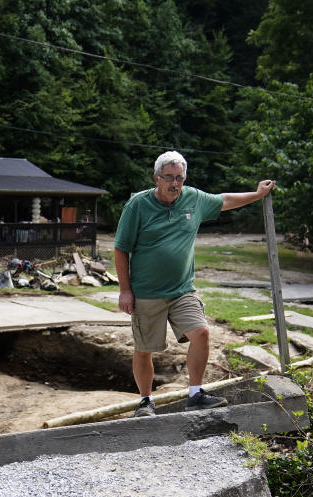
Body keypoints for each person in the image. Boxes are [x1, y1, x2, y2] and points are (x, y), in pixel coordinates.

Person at [114, 150, 275, 417]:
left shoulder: (193, 199)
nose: (175, 183)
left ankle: (195, 394)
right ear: (157, 178)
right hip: (146, 292)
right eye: (169, 177)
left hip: (181, 290)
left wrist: (257, 195)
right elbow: (120, 249)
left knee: (201, 332)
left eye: (179, 177)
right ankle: (145, 402)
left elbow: (224, 201)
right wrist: (125, 290)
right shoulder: (138, 205)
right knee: (145, 350)